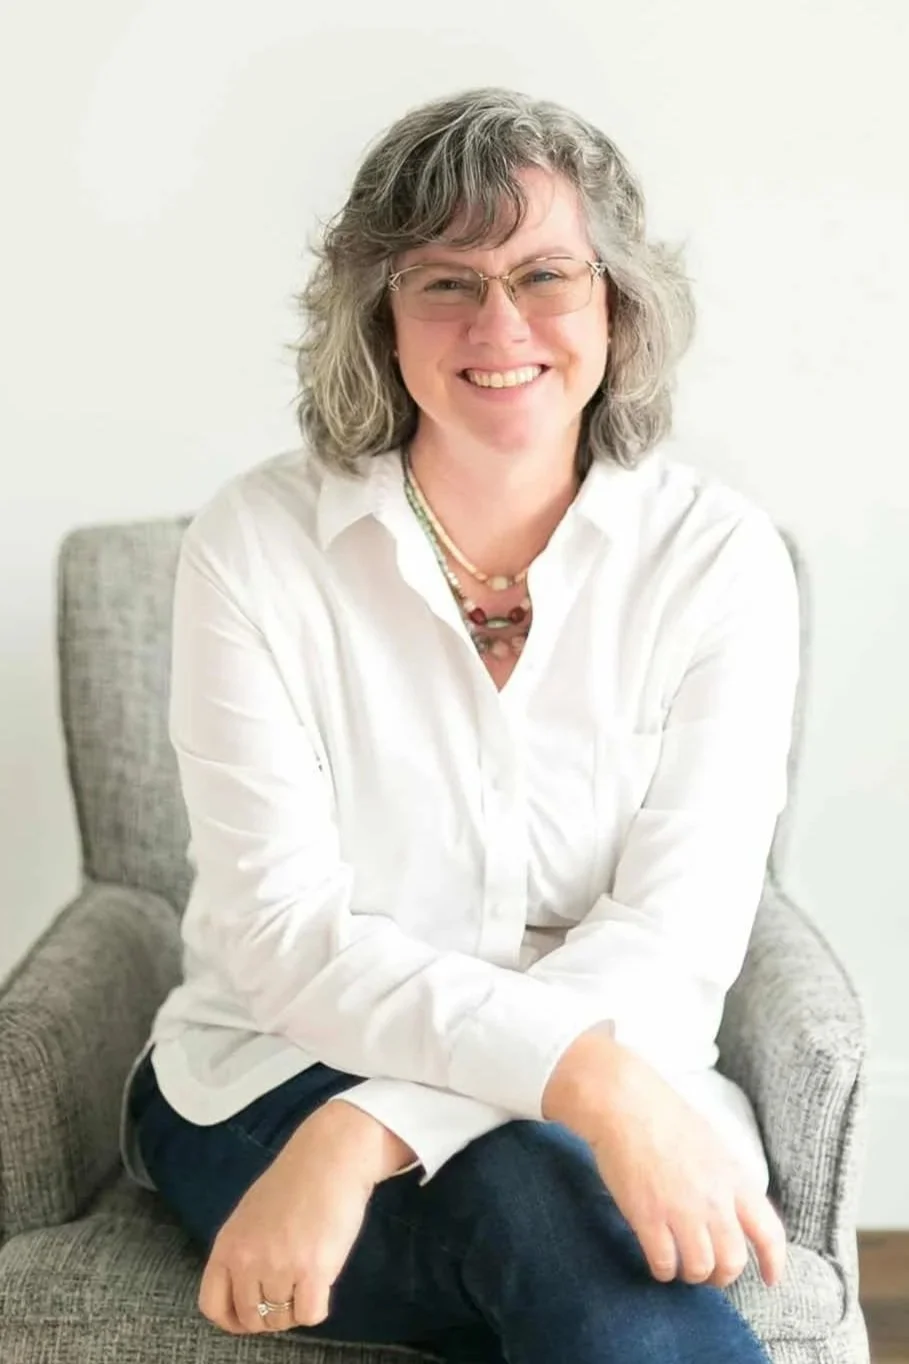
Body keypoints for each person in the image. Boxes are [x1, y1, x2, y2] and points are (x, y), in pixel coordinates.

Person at [120, 87, 800, 1363]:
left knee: (537, 1192)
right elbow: (285, 934)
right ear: (379, 313)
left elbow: (678, 934)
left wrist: (376, 1128)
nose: (500, 325)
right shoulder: (255, 547)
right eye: (445, 282)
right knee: (542, 1200)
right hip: (270, 1079)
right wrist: (581, 1081)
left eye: (546, 273)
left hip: (517, 1098)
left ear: (618, 302)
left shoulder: (719, 561)